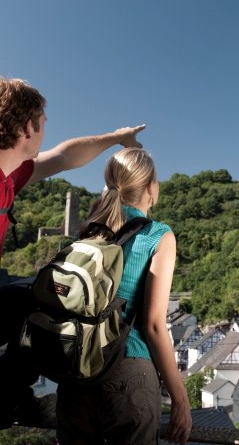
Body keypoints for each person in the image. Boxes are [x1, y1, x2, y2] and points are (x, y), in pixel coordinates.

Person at [0, 77, 145, 428]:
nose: (47, 130)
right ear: (27, 128)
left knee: (39, 294)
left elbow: (65, 156)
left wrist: (117, 137)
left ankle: (9, 398)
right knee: (49, 300)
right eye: (43, 123)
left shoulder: (10, 175)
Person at [56, 148, 192, 445]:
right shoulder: (158, 236)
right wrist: (180, 400)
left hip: (75, 375)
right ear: (150, 187)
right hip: (127, 371)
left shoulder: (87, 233)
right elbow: (154, 326)